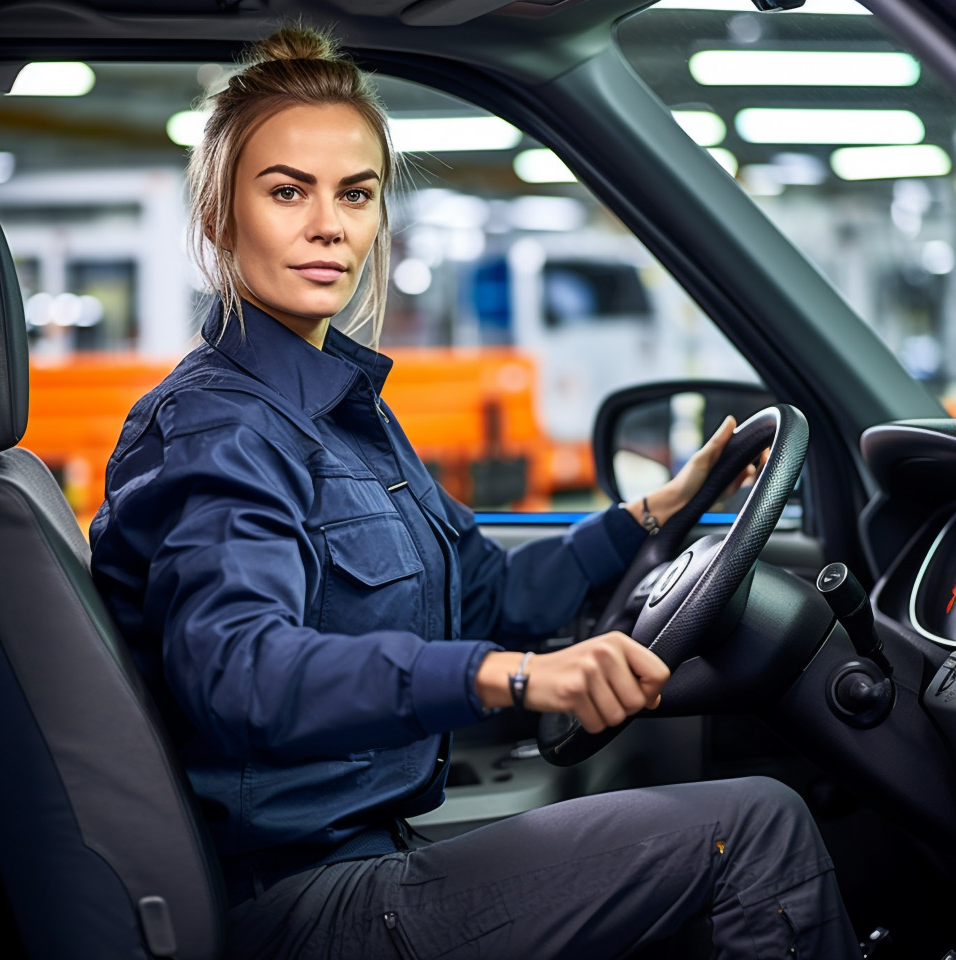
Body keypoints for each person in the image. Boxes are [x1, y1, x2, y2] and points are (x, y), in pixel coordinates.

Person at [89, 25, 862, 959]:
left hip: (368, 855)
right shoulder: (220, 430)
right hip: (299, 899)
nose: (328, 224)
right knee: (757, 826)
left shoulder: (342, 409)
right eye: (287, 191)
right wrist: (513, 676)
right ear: (219, 214)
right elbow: (239, 672)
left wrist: (657, 511)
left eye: (356, 194)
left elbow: (485, 592)